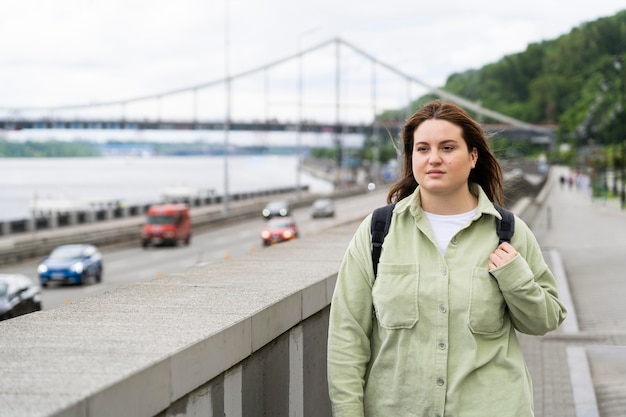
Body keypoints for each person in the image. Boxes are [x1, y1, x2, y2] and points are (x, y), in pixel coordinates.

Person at [327, 100, 567, 417]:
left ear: (472, 156)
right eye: (422, 149)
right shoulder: (377, 234)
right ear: (411, 158)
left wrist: (515, 277)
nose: (434, 159)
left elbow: (545, 320)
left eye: (448, 147)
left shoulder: (507, 231)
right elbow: (347, 333)